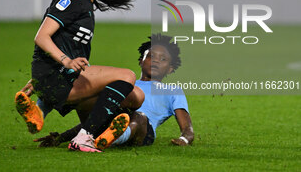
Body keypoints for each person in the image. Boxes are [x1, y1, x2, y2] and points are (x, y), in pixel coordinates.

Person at [15, 0, 146, 153]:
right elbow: (41, 36)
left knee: (136, 97)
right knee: (128, 75)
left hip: (66, 78)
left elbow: (65, 43)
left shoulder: (85, 3)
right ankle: (85, 136)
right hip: (59, 78)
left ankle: (89, 128)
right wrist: (64, 62)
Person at [33, 34, 194, 149]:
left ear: (171, 69)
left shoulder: (172, 91)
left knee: (139, 117)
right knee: (87, 93)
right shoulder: (125, 84)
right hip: (112, 118)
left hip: (143, 130)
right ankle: (42, 109)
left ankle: (109, 139)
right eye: (151, 56)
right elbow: (101, 112)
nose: (157, 61)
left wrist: (184, 139)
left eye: (163, 59)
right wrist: (61, 138)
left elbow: (187, 128)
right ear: (141, 61)